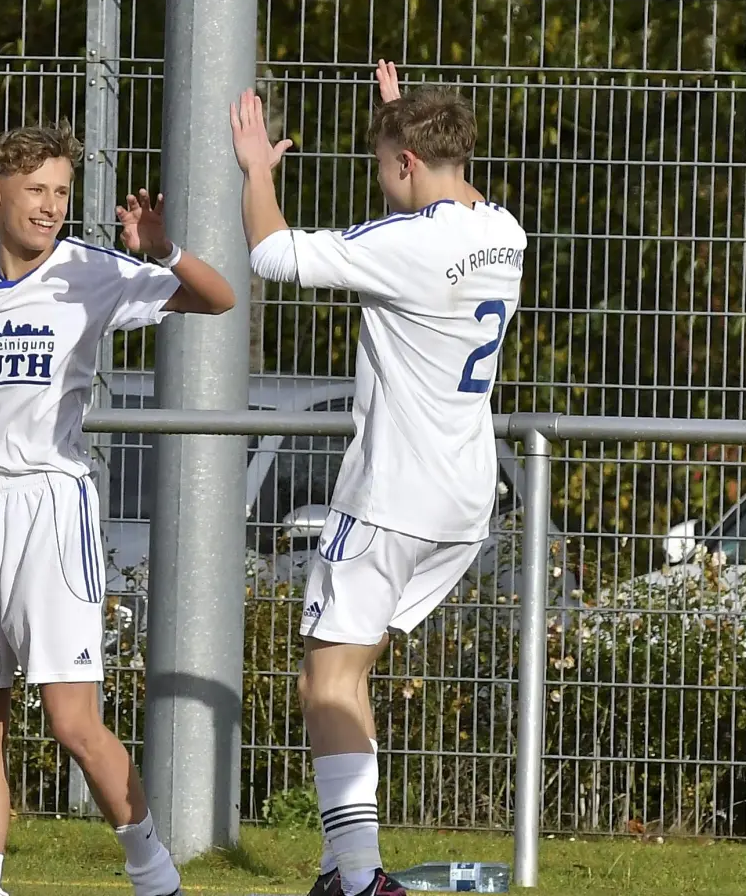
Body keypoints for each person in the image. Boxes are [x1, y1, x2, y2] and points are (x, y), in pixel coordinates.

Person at [0, 123, 237, 896]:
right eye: (36, 190)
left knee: (73, 722)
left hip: (49, 510)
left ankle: (155, 875)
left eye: (61, 191)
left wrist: (164, 249)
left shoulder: (90, 269)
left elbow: (217, 298)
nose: (51, 206)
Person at [231, 61, 527, 896]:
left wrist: (256, 171)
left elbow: (273, 254)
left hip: (392, 494)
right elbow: (427, 208)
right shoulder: (504, 230)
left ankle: (360, 879)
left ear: (405, 163)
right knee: (349, 671)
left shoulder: (410, 245)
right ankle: (343, 868)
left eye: (384, 164)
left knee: (325, 677)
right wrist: (402, 120)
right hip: (462, 500)